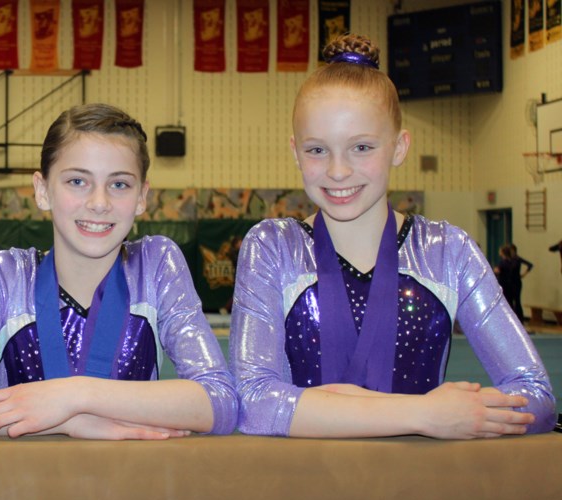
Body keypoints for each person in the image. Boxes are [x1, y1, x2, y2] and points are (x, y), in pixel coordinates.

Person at [230, 34, 555, 439]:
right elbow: (251, 403)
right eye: (317, 151)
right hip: (302, 489)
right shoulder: (273, 247)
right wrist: (424, 414)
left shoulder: (447, 251)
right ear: (295, 152)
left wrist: (331, 406)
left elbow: (537, 397)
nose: (337, 171)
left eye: (361, 147)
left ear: (399, 147)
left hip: (416, 492)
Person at [0, 103, 238, 439]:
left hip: (130, 488)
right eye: (78, 181)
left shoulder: (154, 265)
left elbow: (220, 401)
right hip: (20, 489)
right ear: (43, 190)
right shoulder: (7, 275)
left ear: (142, 196)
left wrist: (76, 396)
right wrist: (75, 422)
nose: (99, 202)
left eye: (119, 184)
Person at [494, 243, 532, 322]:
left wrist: (523, 274)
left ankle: (514, 320)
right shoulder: (513, 260)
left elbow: (501, 271)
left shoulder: (509, 261)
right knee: (515, 301)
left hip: (511, 283)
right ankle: (519, 320)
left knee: (513, 302)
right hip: (515, 282)